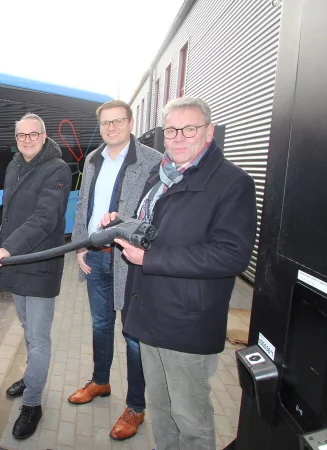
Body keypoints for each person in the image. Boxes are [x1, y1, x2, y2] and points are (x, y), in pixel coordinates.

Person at [112, 97, 255, 450]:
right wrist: (123, 225)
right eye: (171, 129)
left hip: (187, 321)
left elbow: (230, 255)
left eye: (189, 129)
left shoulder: (232, 183)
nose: (178, 137)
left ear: (208, 132)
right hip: (149, 311)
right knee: (160, 409)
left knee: (190, 417)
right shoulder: (161, 176)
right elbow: (154, 229)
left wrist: (150, 259)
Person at [68, 100, 161, 440]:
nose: (111, 128)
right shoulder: (94, 159)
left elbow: (155, 213)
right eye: (105, 123)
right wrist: (80, 245)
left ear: (131, 122)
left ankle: (136, 406)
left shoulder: (152, 160)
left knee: (133, 334)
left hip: (128, 259)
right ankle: (100, 381)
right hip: (95, 256)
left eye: (117, 121)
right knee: (100, 324)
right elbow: (83, 206)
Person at [0, 113, 71, 440]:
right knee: (27, 330)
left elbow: (45, 219)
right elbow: (9, 213)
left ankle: (33, 402)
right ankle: (30, 378)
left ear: (44, 135)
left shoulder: (57, 169)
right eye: (21, 136)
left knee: (39, 339)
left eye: (33, 135)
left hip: (38, 264)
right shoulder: (14, 164)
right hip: (18, 263)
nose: (27, 141)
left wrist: (6, 248)